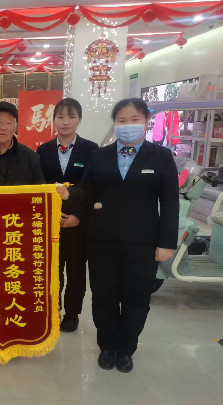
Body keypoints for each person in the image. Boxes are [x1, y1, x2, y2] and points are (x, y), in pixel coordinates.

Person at [75, 98, 179, 373]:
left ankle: (125, 348)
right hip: (102, 241)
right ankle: (107, 346)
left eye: (135, 120)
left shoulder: (161, 156)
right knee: (103, 296)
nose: (128, 125)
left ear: (146, 121)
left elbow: (170, 202)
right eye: (122, 120)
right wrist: (65, 195)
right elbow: (85, 193)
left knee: (136, 298)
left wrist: (166, 243)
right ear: (115, 123)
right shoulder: (99, 156)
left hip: (143, 243)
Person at [37, 98, 98, 333]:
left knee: (76, 271)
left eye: (71, 117)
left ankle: (72, 314)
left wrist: (78, 216)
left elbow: (92, 188)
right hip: (49, 222)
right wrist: (50, 215)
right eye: (60, 117)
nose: (65, 122)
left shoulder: (91, 150)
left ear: (79, 119)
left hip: (78, 224)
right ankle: (53, 310)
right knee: (52, 270)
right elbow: (39, 186)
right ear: (53, 120)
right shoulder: (42, 151)